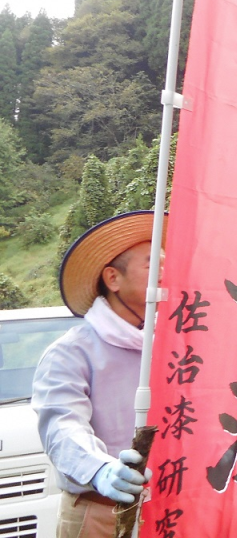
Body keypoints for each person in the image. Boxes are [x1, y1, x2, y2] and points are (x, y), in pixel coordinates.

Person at [32, 211, 165, 538]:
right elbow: (61, 425)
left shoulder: (172, 345)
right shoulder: (72, 352)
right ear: (113, 278)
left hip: (167, 510)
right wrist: (101, 469)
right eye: (152, 265)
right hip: (101, 510)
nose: (164, 273)